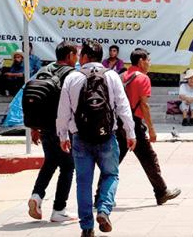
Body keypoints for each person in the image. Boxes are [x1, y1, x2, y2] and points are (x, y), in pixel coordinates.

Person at [56, 39, 136, 236]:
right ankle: (103, 209)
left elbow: (63, 112)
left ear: (84, 57)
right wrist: (130, 132)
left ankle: (86, 227)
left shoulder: (72, 78)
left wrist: (62, 135)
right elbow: (123, 107)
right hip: (107, 136)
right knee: (111, 175)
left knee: (83, 182)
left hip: (80, 138)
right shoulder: (112, 76)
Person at [118, 48, 181, 205]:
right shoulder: (143, 78)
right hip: (135, 124)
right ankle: (161, 192)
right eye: (148, 60)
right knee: (149, 158)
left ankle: (100, 195)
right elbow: (144, 106)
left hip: (120, 123)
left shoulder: (121, 77)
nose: (149, 64)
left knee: (113, 160)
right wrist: (152, 129)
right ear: (141, 61)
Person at [27, 41, 79, 223]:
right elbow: (74, 104)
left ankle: (37, 196)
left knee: (50, 162)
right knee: (67, 166)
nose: (77, 58)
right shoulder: (72, 75)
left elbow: (35, 98)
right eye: (76, 54)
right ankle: (59, 209)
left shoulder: (44, 70)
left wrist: (34, 127)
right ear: (70, 55)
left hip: (43, 127)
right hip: (62, 129)